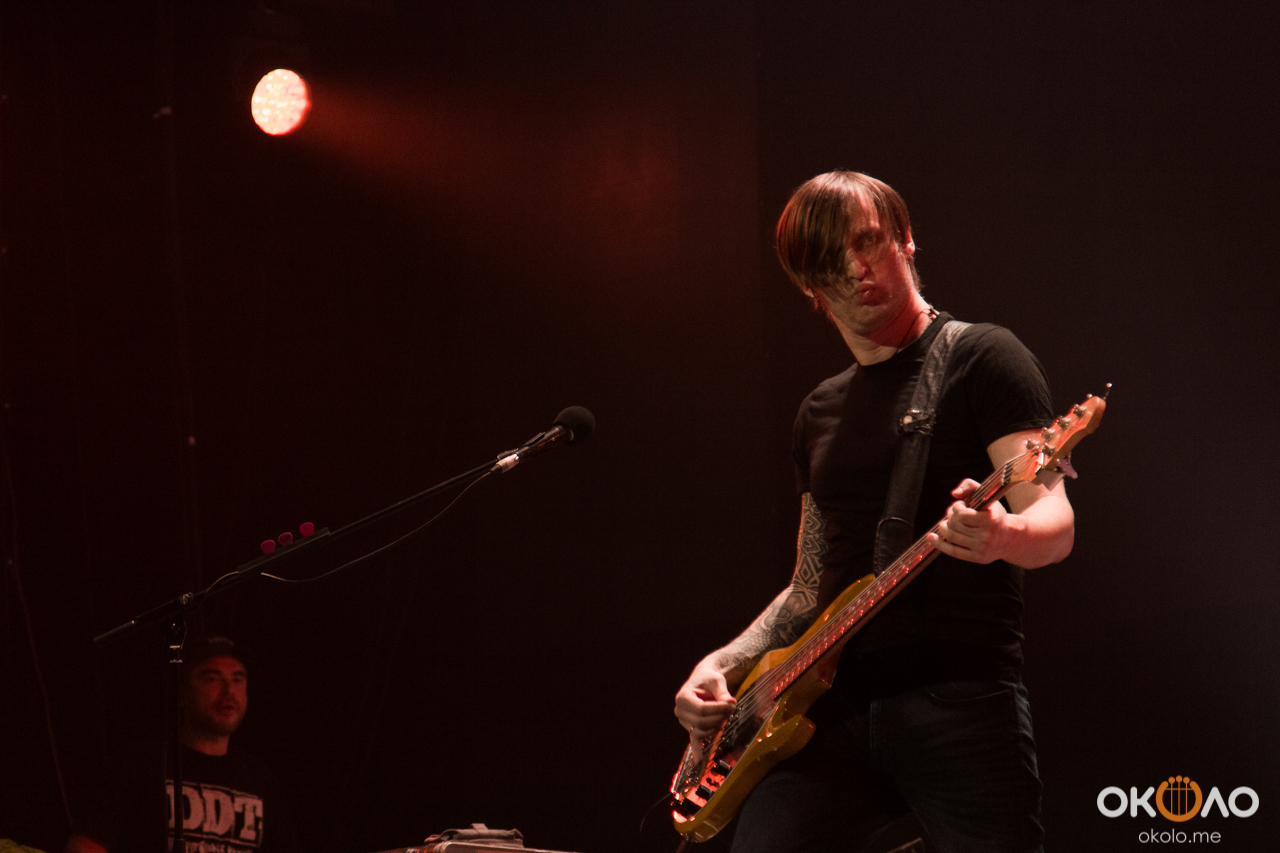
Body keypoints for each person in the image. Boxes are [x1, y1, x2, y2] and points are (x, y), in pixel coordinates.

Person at [673, 171, 1074, 853]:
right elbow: (809, 588)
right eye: (832, 260)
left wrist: (1002, 534)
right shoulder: (818, 412)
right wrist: (721, 662)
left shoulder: (983, 357)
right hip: (827, 712)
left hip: (957, 697)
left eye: (868, 242)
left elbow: (1055, 523)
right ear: (809, 285)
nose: (857, 268)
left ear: (906, 240)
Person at [67, 637, 300, 853]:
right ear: (181, 692)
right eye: (211, 678)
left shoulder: (261, 781)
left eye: (237, 679)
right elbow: (84, 846)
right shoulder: (141, 765)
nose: (229, 691)